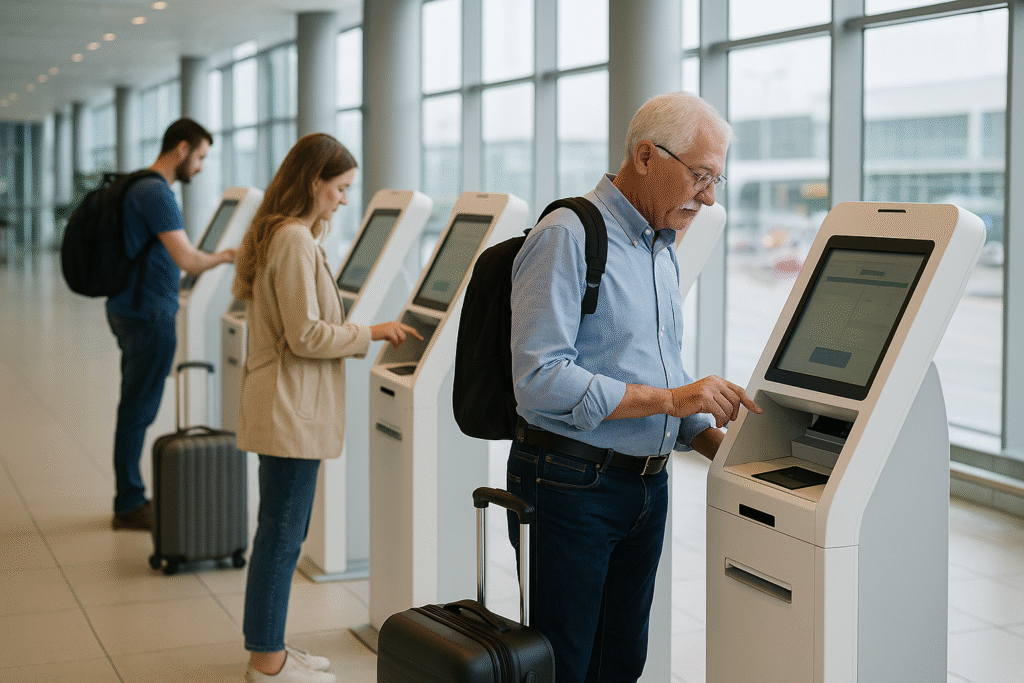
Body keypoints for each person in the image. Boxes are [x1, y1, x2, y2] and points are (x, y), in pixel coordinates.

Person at [507, 91, 762, 683]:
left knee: (621, 660)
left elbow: (658, 368)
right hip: (570, 483)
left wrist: (715, 444)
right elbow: (538, 378)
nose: (709, 197)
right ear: (646, 156)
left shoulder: (660, 246)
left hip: (645, 486)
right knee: (566, 663)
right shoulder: (567, 235)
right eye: (700, 176)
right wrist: (672, 401)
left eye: (716, 179)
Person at [232, 133, 421, 683]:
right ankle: (267, 660)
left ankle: (271, 647)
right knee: (283, 535)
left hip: (282, 404)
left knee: (279, 530)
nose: (343, 200)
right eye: (339, 188)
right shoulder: (292, 239)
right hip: (289, 408)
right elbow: (307, 335)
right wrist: (372, 331)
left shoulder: (282, 234)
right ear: (313, 181)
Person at [108, 118, 236, 531]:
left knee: (135, 405)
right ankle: (129, 502)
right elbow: (188, 260)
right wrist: (230, 254)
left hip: (131, 307)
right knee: (138, 409)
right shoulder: (156, 193)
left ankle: (128, 494)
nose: (199, 167)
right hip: (149, 314)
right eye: (199, 157)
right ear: (181, 149)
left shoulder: (138, 185)